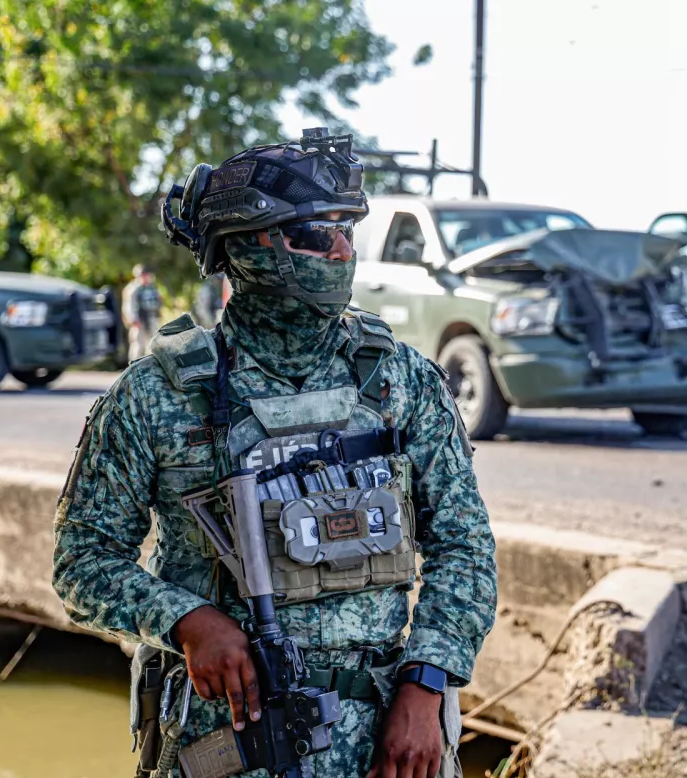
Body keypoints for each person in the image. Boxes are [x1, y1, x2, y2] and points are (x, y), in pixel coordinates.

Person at [52, 129, 497, 778]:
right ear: (249, 243)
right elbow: (82, 560)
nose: (342, 250)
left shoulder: (403, 381)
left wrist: (427, 683)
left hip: (387, 740)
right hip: (223, 739)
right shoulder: (157, 395)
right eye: (316, 233)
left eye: (347, 228)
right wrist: (185, 619)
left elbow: (465, 545)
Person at [122, 263, 163, 361]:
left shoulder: (152, 288)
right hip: (139, 320)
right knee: (138, 345)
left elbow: (157, 303)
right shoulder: (133, 289)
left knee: (154, 344)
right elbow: (129, 306)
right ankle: (134, 367)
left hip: (151, 319)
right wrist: (133, 319)